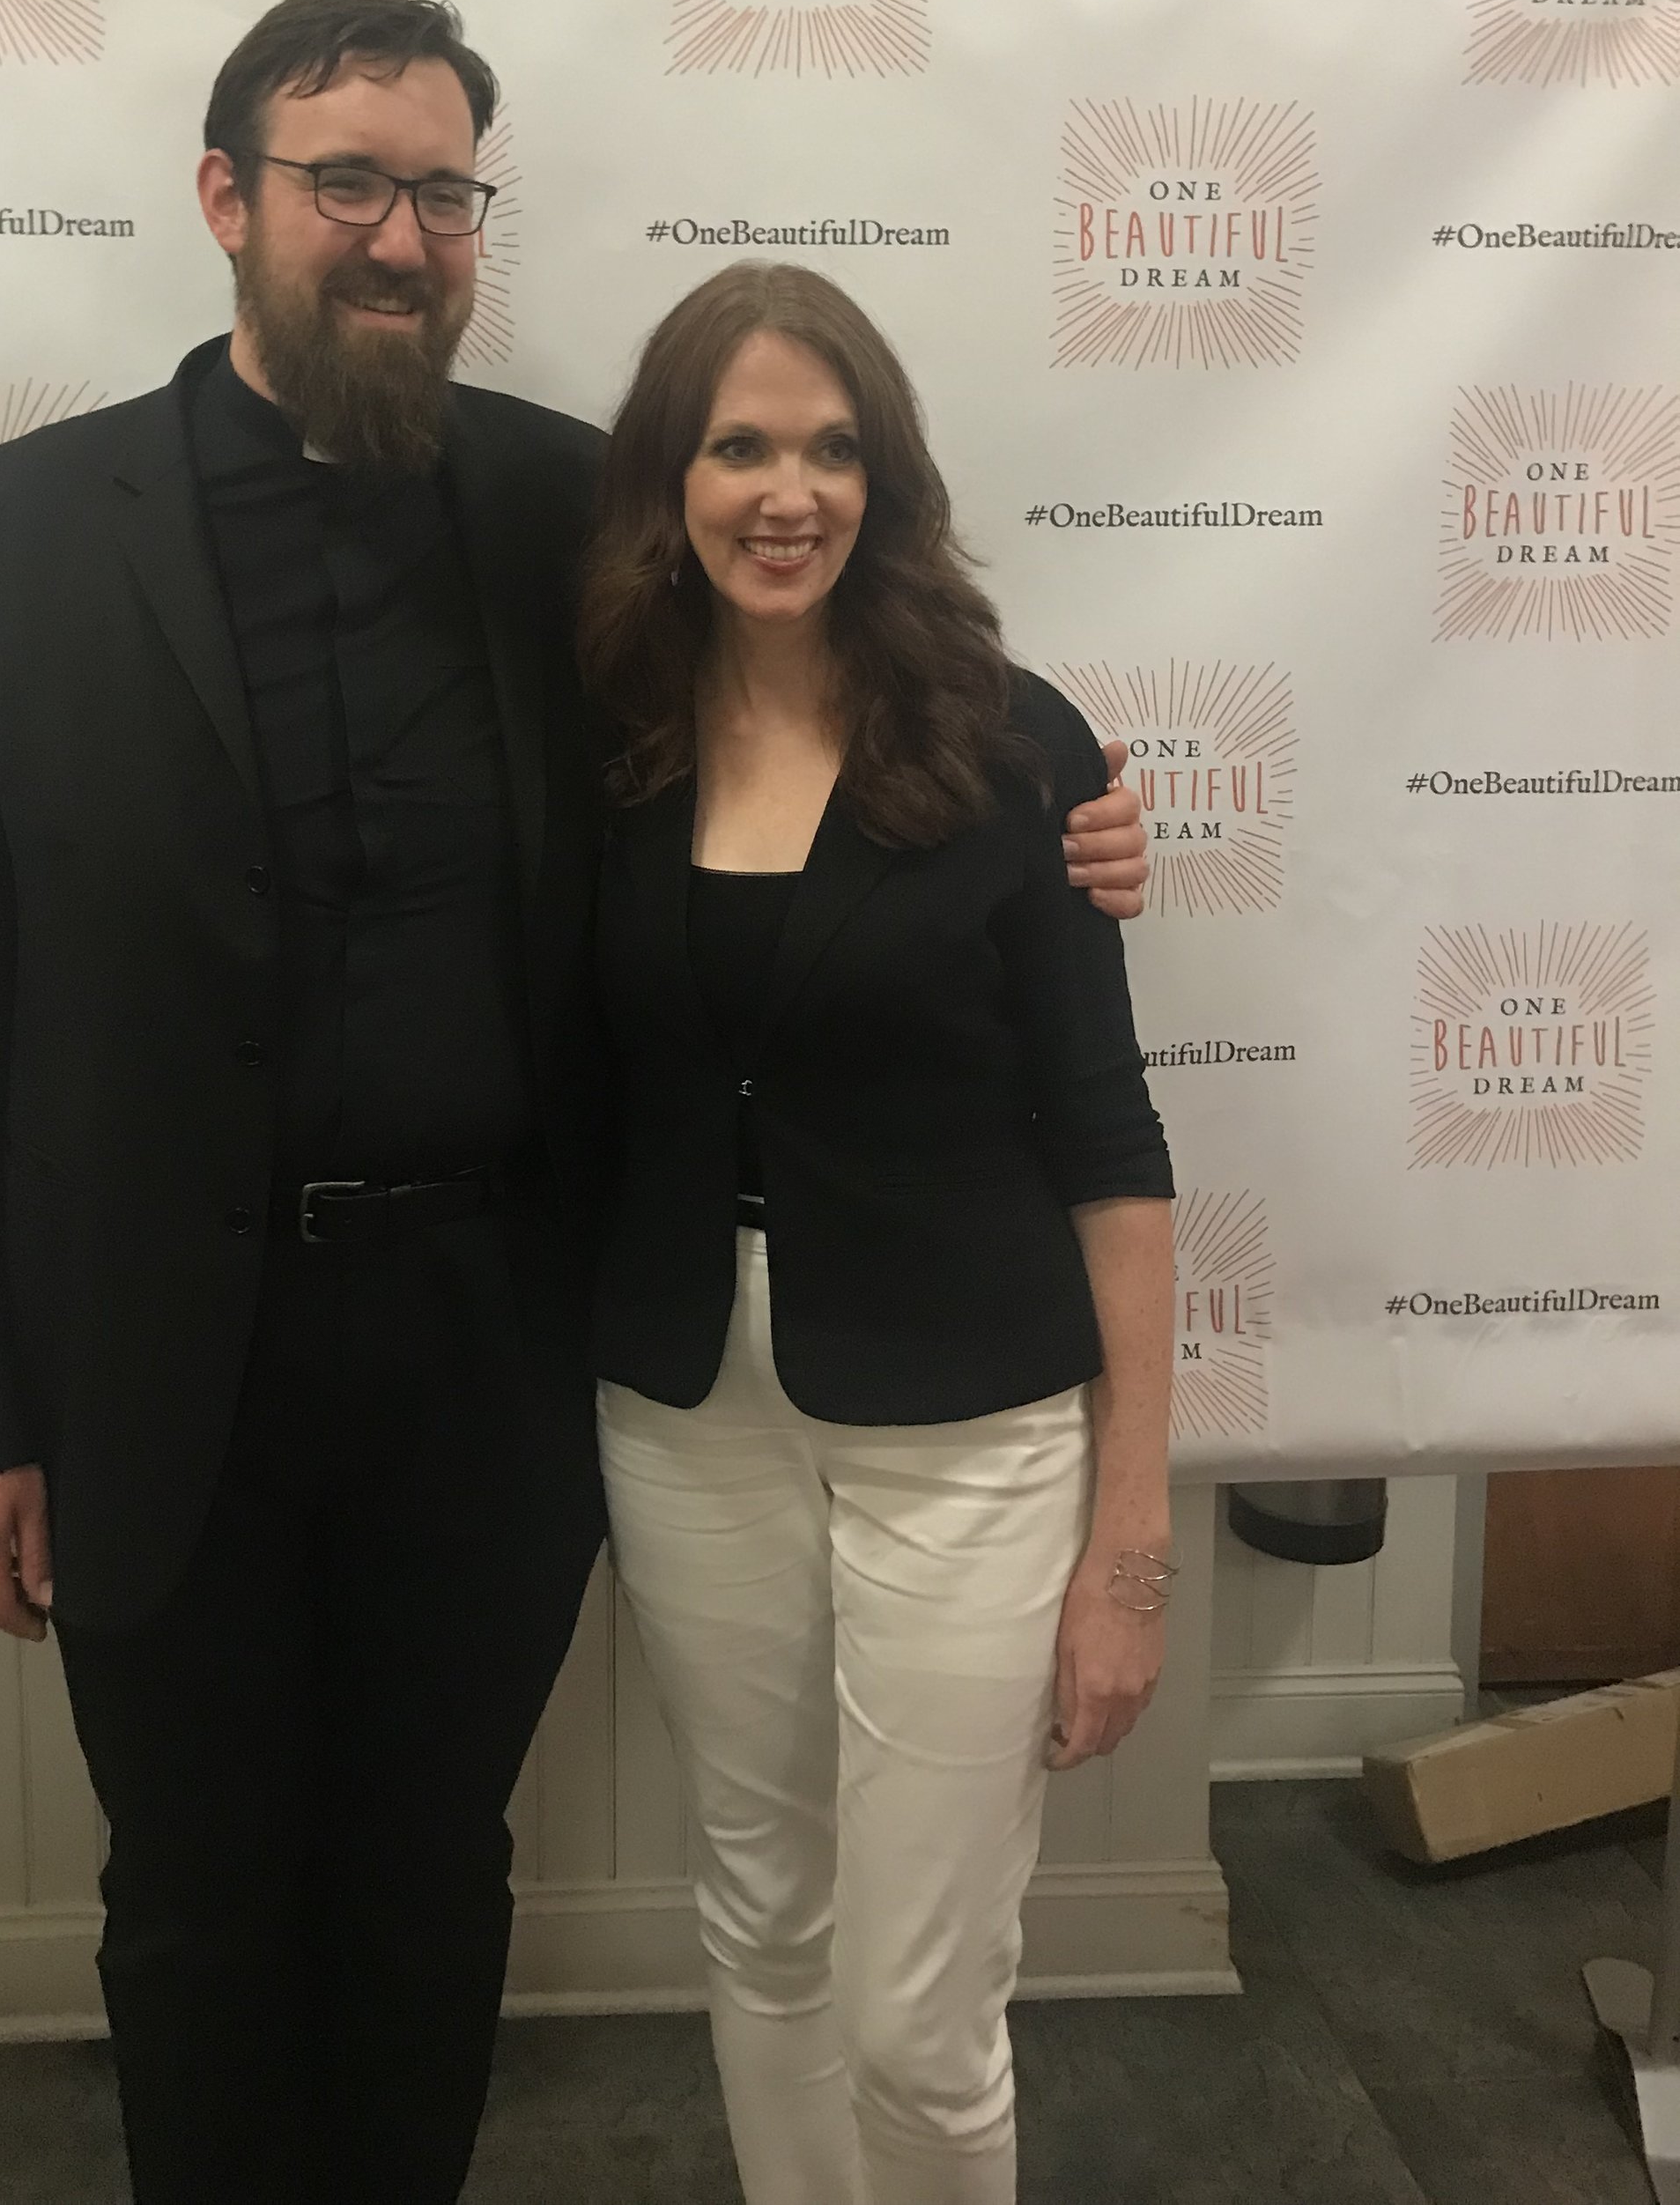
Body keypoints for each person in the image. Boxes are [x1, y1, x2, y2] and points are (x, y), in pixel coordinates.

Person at [0, 0, 1151, 2205]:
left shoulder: (574, 504)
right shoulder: (12, 533)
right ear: (224, 199)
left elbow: (835, 664)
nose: (395, 235)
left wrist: (1076, 796)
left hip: (494, 1345)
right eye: (342, 180)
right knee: (188, 1891)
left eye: (440, 191)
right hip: (163, 1358)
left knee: (426, 1873)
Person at [579, 263, 1176, 2205]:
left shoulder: (1012, 745)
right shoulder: (604, 743)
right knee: (757, 1911)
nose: (784, 490)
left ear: (885, 478)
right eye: (738, 443)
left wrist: (1131, 1533)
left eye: (830, 448)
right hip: (684, 1403)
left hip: (967, 1424)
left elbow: (1107, 1134)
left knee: (920, 2002)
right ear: (669, 477)